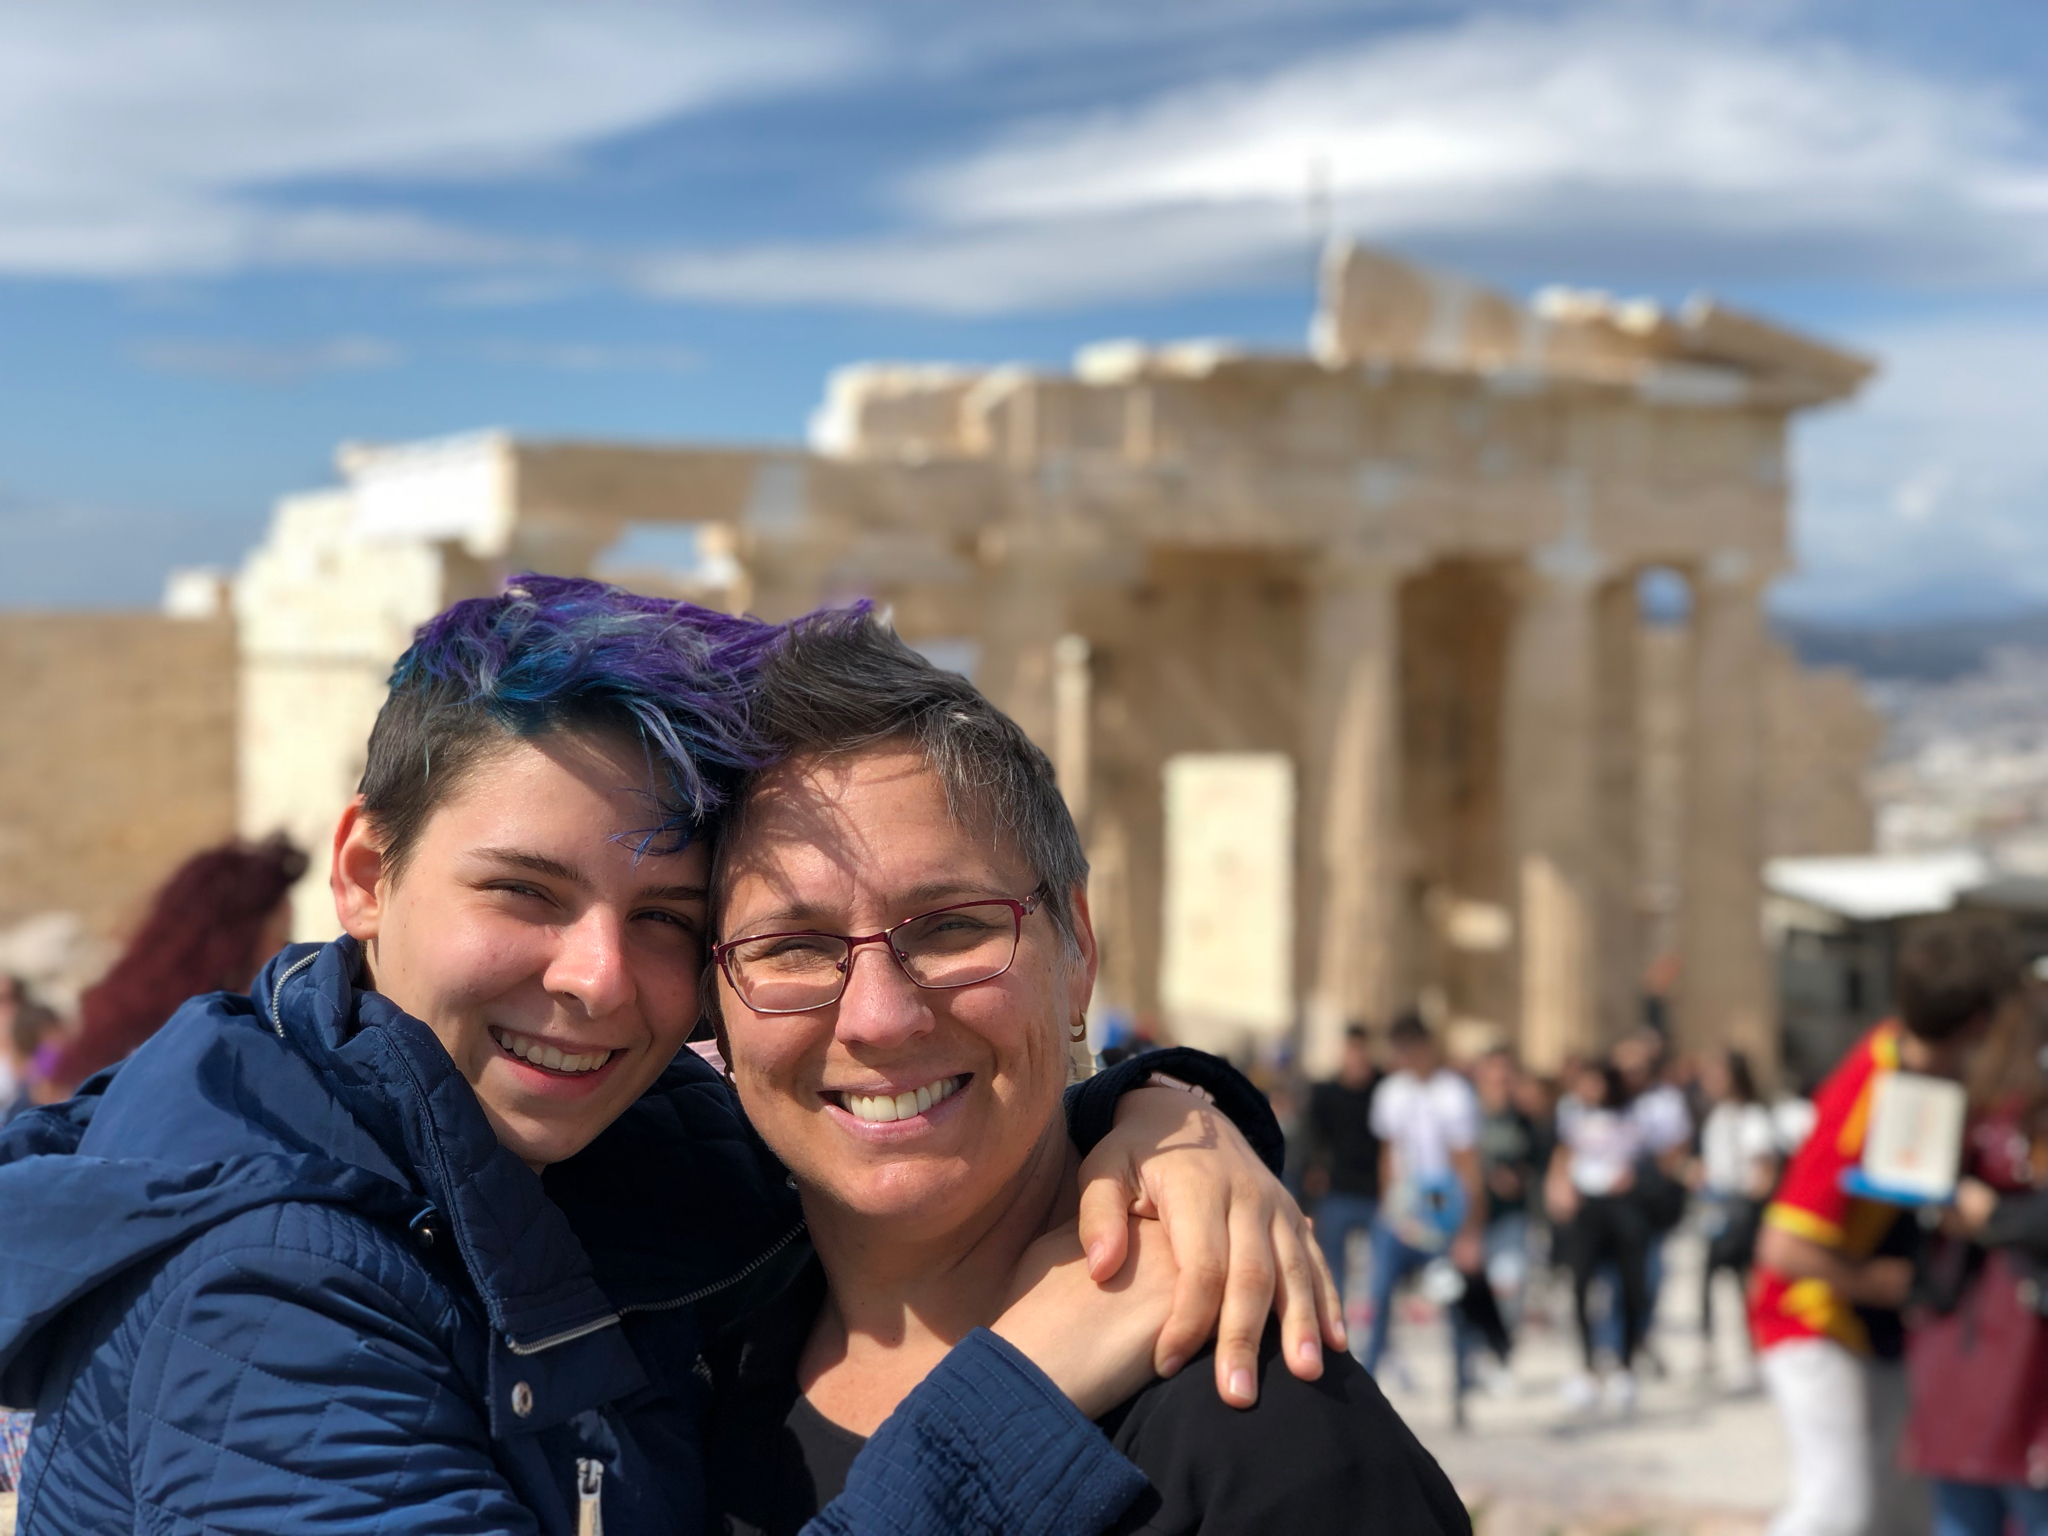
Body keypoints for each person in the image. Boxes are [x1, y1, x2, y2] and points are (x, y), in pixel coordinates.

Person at [0, 578, 1335, 1536]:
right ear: (363, 870)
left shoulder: (623, 1164)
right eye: (523, 893)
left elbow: (898, 1124)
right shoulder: (268, 1293)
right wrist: (1020, 1397)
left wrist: (1165, 1119)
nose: (596, 979)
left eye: (667, 922)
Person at [699, 609, 1466, 1535]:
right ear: (712, 1000)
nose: (880, 1017)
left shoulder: (1270, 1441)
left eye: (953, 927)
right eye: (794, 946)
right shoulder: (657, 1370)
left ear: (1078, 956)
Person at [1751, 917, 2020, 1536]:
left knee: (1900, 1515)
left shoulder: (1917, 1065)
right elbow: (1782, 1246)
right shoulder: (1866, 1092)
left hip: (1875, 1333)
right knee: (1834, 1511)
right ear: (1980, 1023)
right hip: (1810, 1320)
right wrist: (1881, 1282)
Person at [1899, 992, 2048, 1536]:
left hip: (2009, 1330)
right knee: (1971, 1506)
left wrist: (1995, 1217)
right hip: (1975, 1328)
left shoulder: (1988, 1106)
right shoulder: (1968, 1107)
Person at [32, 833, 305, 1097]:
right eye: (282, 938)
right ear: (232, 944)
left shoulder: (128, 1013)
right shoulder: (180, 1047)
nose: (288, 953)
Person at [1362, 1013, 1487, 1390]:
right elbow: (1388, 1153)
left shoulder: (1453, 1092)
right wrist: (1388, 1205)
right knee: (1380, 1289)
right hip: (1403, 1203)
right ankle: (1369, 1371)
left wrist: (1470, 1228)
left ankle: (1462, 1372)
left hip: (1441, 1203)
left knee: (1449, 1290)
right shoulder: (1391, 1092)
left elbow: (1467, 1161)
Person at [1547, 1059, 1650, 1413]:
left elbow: (1647, 1157)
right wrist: (1558, 1187)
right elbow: (1563, 1155)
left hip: (1620, 1207)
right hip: (1586, 1206)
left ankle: (1624, 1364)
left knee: (1627, 1287)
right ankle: (1588, 1365)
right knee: (1580, 1287)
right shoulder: (1571, 1115)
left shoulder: (1631, 1116)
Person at [1693, 1048, 1777, 1388]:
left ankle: (1753, 1354)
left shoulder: (1753, 1118)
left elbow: (1763, 1173)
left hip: (1742, 1210)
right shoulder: (1717, 1116)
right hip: (1716, 1206)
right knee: (1708, 1281)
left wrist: (1743, 1205)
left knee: (1746, 1286)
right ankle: (1710, 1349)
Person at [1302, 1024, 1384, 1332]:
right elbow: (1312, 1142)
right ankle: (1338, 1332)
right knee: (1333, 1274)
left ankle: (1375, 1334)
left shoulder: (1383, 1089)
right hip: (1337, 1193)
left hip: (1377, 1195)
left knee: (1379, 1275)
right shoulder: (1326, 1093)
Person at [1474, 1047, 1541, 1337]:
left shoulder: (1523, 1117)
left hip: (1510, 1216)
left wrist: (1517, 1179)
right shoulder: (1465, 1112)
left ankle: (1500, 1348)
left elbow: (1538, 1158)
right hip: (1471, 1218)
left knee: (1509, 1286)